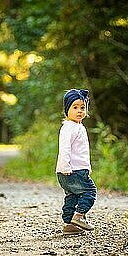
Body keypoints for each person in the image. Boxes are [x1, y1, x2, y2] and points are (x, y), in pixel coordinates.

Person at [56, 88, 98, 236]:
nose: (79, 111)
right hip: (72, 170)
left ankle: (69, 224)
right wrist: (65, 166)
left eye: (82, 107)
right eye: (75, 107)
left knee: (72, 196)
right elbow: (65, 148)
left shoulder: (76, 126)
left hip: (71, 170)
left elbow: (81, 152)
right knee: (90, 192)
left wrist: (88, 167)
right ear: (67, 109)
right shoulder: (70, 127)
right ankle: (78, 217)